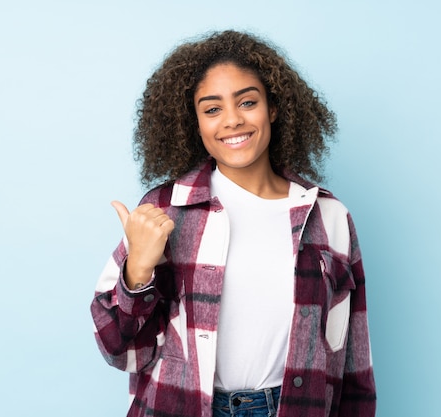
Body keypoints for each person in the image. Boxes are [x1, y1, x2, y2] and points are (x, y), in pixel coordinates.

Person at [91, 30, 376, 417]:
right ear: (194, 122)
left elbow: (354, 364)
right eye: (212, 109)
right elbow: (118, 350)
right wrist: (138, 269)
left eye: (247, 102)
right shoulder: (166, 209)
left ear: (272, 107)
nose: (232, 120)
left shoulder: (329, 217)